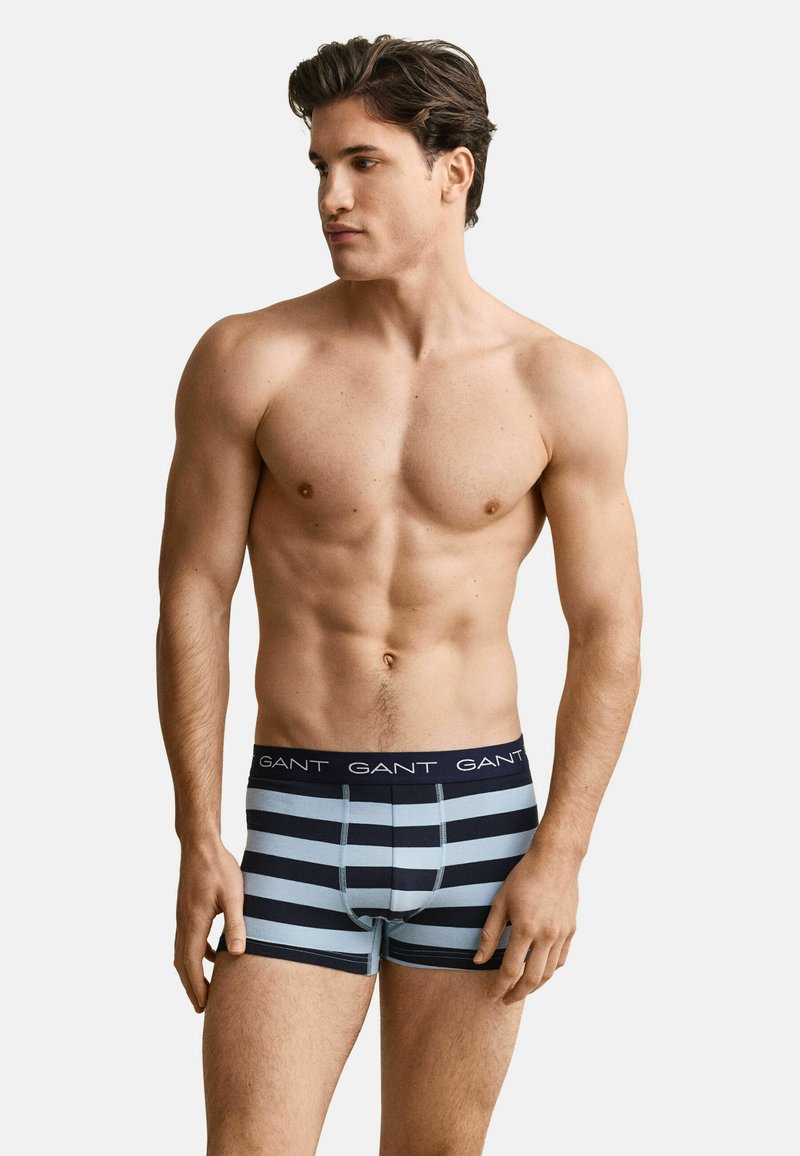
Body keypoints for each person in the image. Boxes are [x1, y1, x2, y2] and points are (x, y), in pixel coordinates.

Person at [156, 32, 643, 1156]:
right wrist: (195, 831)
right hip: (295, 817)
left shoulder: (558, 383)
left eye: (362, 163)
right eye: (319, 167)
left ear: (451, 172)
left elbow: (608, 628)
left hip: (479, 826)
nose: (330, 197)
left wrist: (562, 851)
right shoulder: (248, 359)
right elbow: (193, 593)